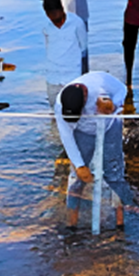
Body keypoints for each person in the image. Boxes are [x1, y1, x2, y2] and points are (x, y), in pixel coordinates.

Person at [52, 73, 131, 228]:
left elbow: (123, 90)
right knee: (76, 178)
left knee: (114, 174)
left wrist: (113, 105)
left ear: (86, 96)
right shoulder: (61, 105)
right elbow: (67, 135)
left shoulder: (101, 83)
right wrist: (79, 165)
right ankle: (71, 224)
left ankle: (120, 224)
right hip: (82, 132)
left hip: (109, 127)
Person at [39, 0, 89, 108]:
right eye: (50, 15)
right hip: (53, 76)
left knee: (74, 110)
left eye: (56, 14)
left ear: (62, 9)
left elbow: (83, 47)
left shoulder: (77, 23)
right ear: (46, 14)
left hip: (72, 76)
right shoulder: (46, 27)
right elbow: (48, 47)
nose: (54, 18)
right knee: (55, 110)